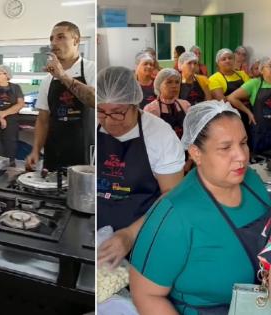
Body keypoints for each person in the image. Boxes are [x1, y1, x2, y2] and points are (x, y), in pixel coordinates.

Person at [130, 101, 271, 314]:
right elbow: (145, 295)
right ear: (196, 153)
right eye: (225, 148)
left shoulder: (251, 181)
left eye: (243, 143)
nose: (241, 156)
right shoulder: (174, 215)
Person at [96, 66, 184, 269]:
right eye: (101, 111)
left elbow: (172, 196)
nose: (109, 121)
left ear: (135, 103)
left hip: (146, 236)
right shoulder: (96, 127)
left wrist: (130, 234)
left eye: (118, 113)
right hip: (97, 239)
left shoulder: (159, 134)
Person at [25, 21, 95, 171]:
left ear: (76, 40)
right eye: (51, 39)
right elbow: (43, 120)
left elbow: (95, 100)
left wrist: (62, 75)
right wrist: (36, 150)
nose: (54, 43)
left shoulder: (92, 69)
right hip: (54, 154)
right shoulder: (47, 80)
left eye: (61, 37)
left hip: (84, 154)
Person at [228, 57, 271, 155]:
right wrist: (248, 112)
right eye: (270, 66)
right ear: (261, 70)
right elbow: (232, 97)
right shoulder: (255, 83)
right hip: (260, 131)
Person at [144, 68, 191, 139]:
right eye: (169, 82)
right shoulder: (151, 109)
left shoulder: (185, 105)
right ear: (159, 85)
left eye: (177, 82)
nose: (174, 86)